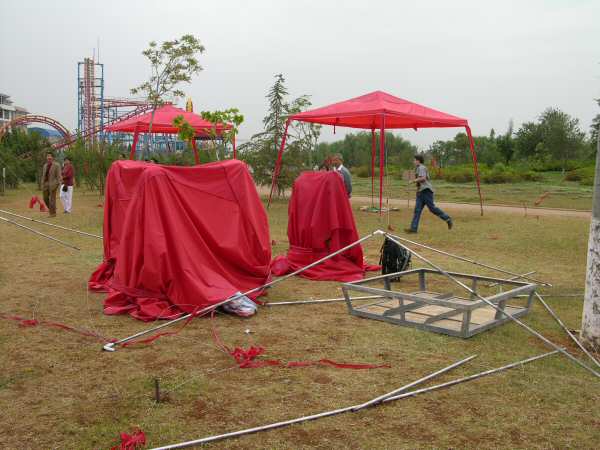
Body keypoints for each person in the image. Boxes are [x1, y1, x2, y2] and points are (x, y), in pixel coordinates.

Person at [405, 154, 452, 233]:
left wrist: (413, 181)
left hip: (426, 191)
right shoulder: (417, 168)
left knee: (432, 208)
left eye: (414, 160)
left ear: (418, 160)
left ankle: (447, 218)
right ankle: (413, 229)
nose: (413, 161)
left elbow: (423, 178)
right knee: (417, 210)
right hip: (420, 192)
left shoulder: (422, 167)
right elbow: (418, 179)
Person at [42, 152, 62, 217]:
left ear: (52, 157)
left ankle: (53, 213)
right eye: (47, 156)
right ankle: (52, 208)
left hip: (53, 184)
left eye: (50, 156)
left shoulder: (57, 165)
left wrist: (59, 184)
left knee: (52, 199)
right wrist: (42, 183)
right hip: (45, 184)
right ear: (46, 158)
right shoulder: (45, 165)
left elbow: (59, 176)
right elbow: (43, 175)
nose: (49, 157)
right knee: (45, 198)